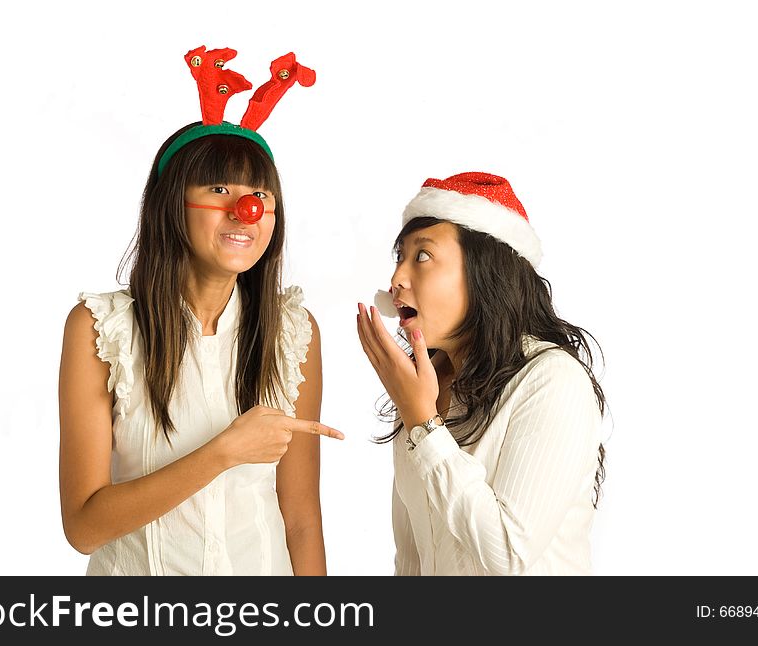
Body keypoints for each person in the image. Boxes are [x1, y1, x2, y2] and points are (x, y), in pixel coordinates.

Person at [58, 46, 342, 576]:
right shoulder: (100, 330)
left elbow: (301, 516)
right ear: (173, 201)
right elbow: (84, 525)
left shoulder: (294, 332)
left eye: (259, 192)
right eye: (219, 188)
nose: (246, 209)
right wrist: (223, 451)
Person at [358, 171, 606, 575]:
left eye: (422, 256)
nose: (397, 279)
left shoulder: (552, 381)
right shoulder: (424, 388)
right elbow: (412, 558)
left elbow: (507, 554)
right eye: (399, 257)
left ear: (485, 273)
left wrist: (424, 425)